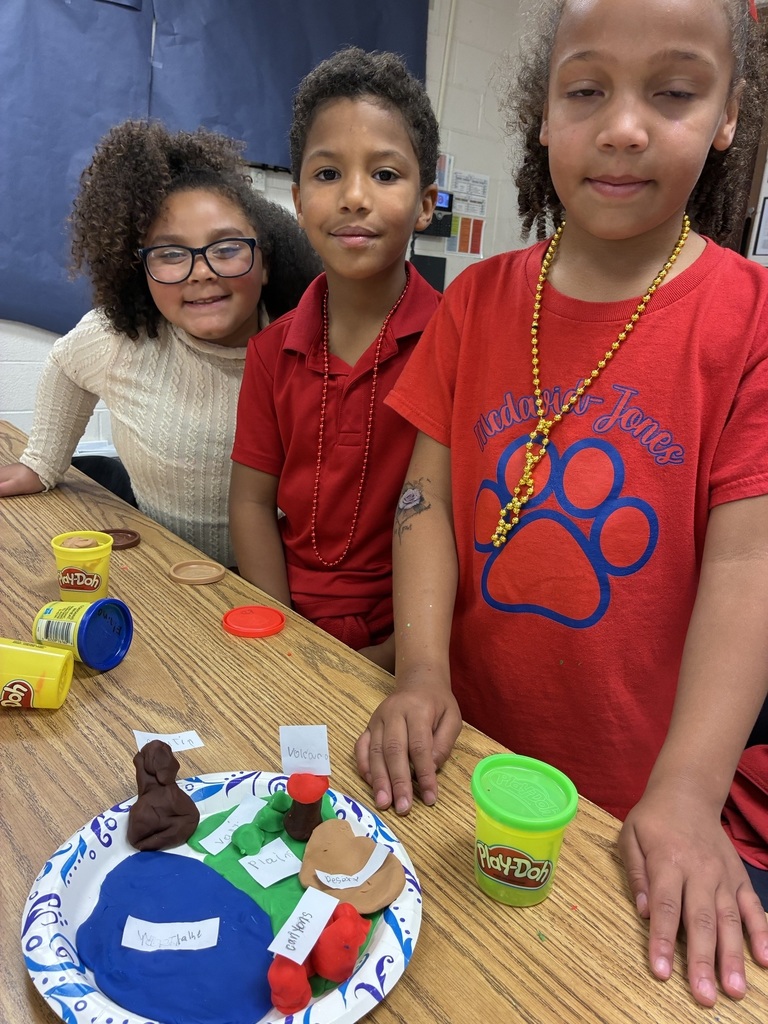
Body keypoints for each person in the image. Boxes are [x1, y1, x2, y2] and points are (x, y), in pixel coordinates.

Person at [355, 0, 768, 1006]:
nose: (624, 126)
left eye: (672, 92)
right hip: (466, 761)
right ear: (544, 112)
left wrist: (687, 789)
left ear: (727, 115)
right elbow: (426, 500)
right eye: (587, 90)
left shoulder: (750, 319)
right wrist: (417, 670)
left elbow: (748, 563)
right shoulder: (477, 301)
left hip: (637, 804)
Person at [0, 120, 321, 566]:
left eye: (226, 247)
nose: (202, 270)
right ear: (142, 272)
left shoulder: (309, 347)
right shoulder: (120, 340)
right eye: (170, 254)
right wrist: (41, 462)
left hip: (272, 582)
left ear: (264, 262)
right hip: (160, 568)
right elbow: (65, 364)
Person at [230, 48, 439, 669]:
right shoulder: (272, 351)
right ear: (297, 200)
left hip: (410, 643)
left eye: (384, 174)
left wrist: (402, 653)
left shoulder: (455, 342)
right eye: (327, 175)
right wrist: (281, 629)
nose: (353, 197)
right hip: (285, 629)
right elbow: (250, 503)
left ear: (426, 203)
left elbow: (465, 526)